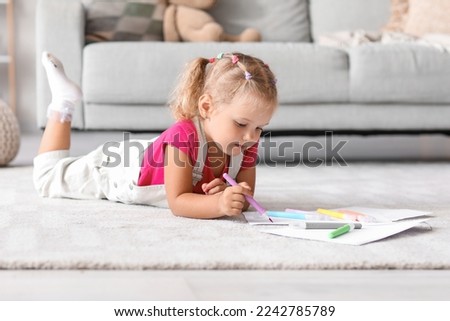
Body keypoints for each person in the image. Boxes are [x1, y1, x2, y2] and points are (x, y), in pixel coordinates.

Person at [34, 51, 278, 219]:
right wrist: (218, 204)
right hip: (116, 169)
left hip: (154, 153)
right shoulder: (183, 137)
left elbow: (247, 198)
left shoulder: (245, 143)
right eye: (241, 123)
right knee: (47, 179)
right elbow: (178, 201)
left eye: (260, 127)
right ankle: (63, 103)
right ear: (206, 107)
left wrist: (231, 193)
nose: (251, 137)